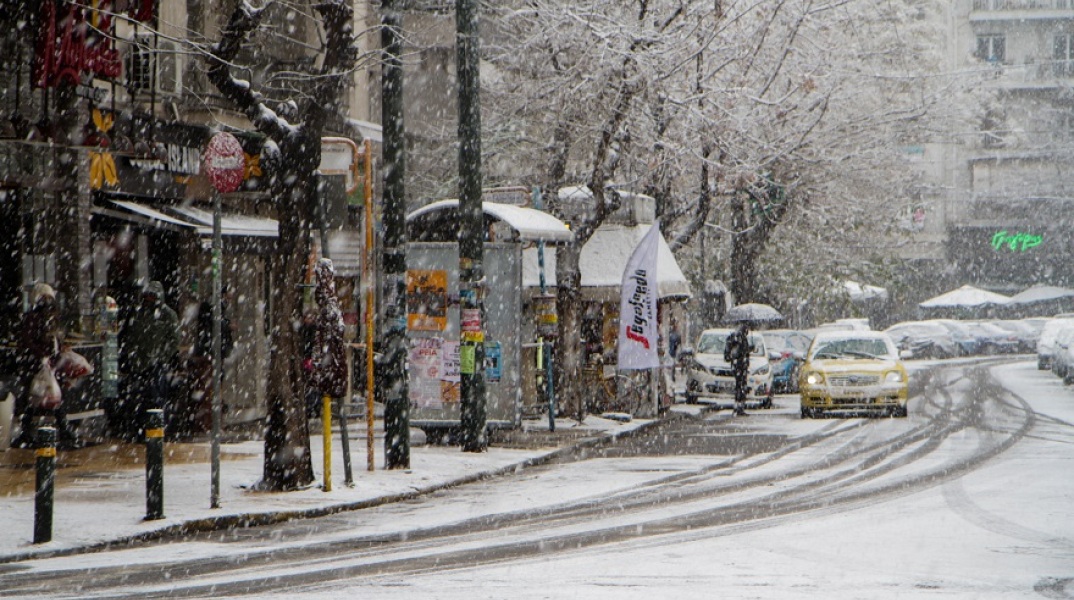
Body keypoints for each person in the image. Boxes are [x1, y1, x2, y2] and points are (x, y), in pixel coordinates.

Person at [11, 283, 79, 449]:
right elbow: (28, 341)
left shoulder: (50, 318)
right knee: (34, 397)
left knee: (49, 395)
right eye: (44, 298)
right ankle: (33, 430)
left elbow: (53, 338)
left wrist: (59, 348)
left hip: (48, 365)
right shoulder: (33, 318)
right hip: (36, 365)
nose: (47, 302)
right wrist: (42, 355)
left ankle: (55, 428)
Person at [120, 281, 180, 438]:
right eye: (147, 296)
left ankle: (156, 433)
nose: (149, 300)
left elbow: (174, 341)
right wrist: (131, 354)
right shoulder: (138, 313)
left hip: (156, 365)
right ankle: (138, 430)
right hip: (138, 363)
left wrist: (161, 358)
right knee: (137, 398)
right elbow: (130, 336)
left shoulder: (168, 315)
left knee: (156, 399)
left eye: (152, 297)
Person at [724, 322, 750, 416]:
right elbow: (741, 352)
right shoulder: (739, 338)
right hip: (740, 366)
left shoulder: (737, 338)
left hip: (738, 366)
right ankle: (739, 407)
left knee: (740, 386)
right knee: (741, 386)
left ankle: (738, 406)